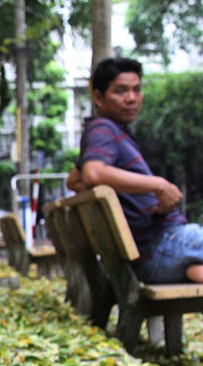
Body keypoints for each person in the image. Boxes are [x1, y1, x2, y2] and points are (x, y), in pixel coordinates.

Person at [67, 57, 203, 284]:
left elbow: (74, 181)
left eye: (136, 90)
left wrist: (145, 205)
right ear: (99, 97)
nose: (131, 98)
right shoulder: (103, 130)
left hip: (153, 256)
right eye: (120, 91)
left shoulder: (106, 133)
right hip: (162, 243)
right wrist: (159, 184)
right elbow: (92, 173)